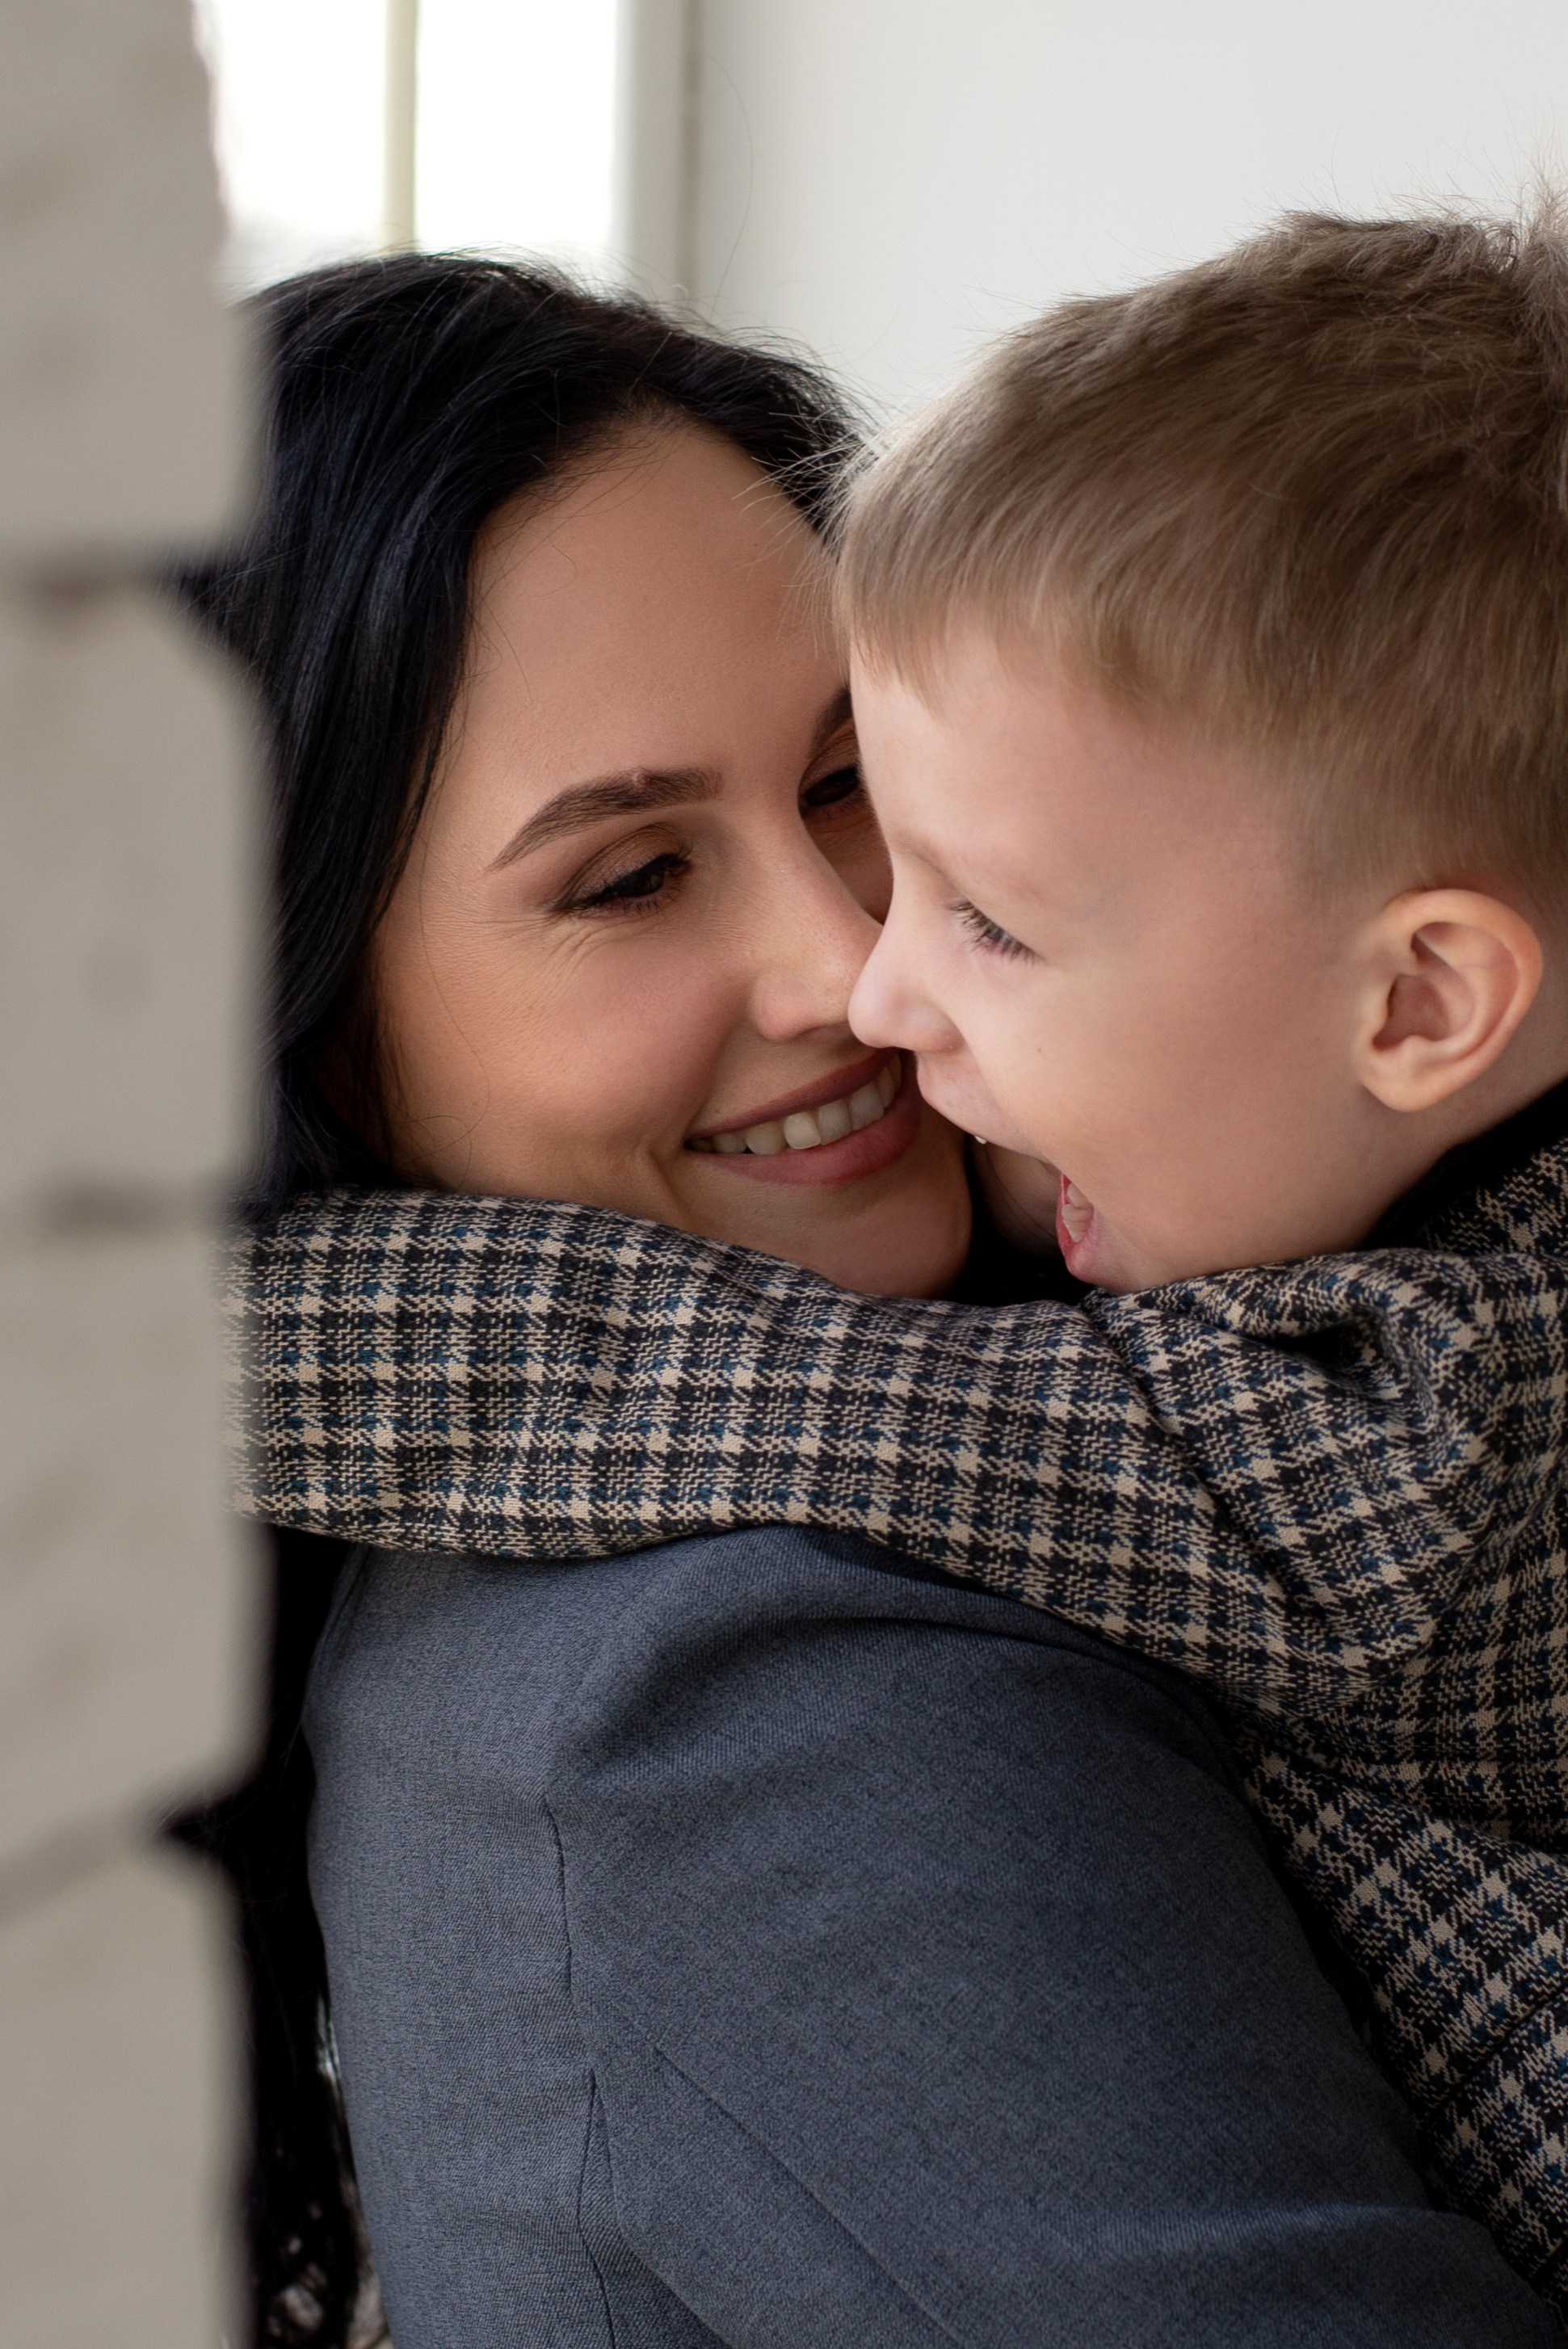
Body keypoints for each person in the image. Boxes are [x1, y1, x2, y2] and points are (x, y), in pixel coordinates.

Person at [233, 208, 1568, 2324]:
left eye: (857, 783)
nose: (859, 967)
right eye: (634, 873)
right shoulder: (720, 1703)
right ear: (301, 1023)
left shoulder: (1228, 1255)